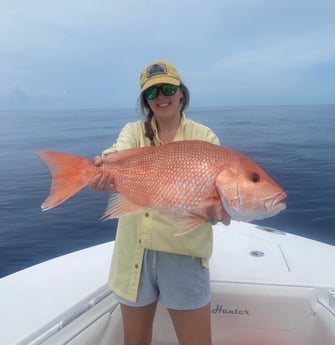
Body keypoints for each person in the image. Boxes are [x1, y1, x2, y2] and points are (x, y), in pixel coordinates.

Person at [89, 59, 230, 345]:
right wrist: (99, 171)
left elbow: (213, 204)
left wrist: (216, 211)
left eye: (167, 88)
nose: (161, 97)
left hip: (183, 254)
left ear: (181, 92)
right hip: (134, 253)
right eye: (152, 92)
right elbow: (116, 156)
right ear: (145, 100)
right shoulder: (133, 132)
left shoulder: (204, 137)